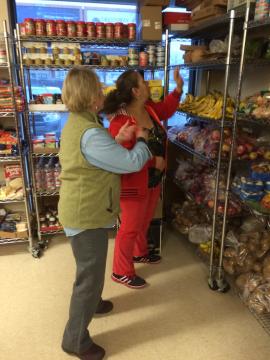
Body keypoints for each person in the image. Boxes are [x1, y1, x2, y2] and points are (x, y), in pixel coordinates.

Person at [58, 66, 152, 360]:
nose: (103, 92)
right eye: (98, 89)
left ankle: (94, 302)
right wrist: (143, 140)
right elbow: (129, 163)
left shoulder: (80, 123)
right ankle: (75, 340)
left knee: (91, 270)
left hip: (82, 209)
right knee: (89, 276)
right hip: (86, 215)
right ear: (89, 96)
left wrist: (117, 137)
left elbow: (96, 152)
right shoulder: (90, 133)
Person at [103, 68, 183, 290]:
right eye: (144, 82)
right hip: (132, 184)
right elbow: (120, 158)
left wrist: (178, 89)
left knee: (143, 221)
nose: (148, 85)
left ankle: (139, 254)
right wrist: (153, 161)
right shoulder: (120, 122)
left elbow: (166, 109)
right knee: (129, 227)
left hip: (153, 181)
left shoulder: (149, 109)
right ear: (136, 91)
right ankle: (121, 271)